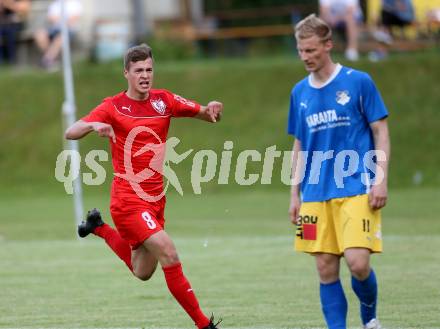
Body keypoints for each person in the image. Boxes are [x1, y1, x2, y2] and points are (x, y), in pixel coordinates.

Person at [65, 44, 223, 329]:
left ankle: (98, 226)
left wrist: (211, 110)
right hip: (127, 200)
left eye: (149, 69)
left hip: (154, 199)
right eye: (138, 70)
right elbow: (71, 131)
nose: (145, 75)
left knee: (142, 272)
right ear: (126, 73)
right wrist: (93, 126)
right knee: (168, 251)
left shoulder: (164, 101)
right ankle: (204, 325)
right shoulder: (112, 106)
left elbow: (203, 113)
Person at [288, 14, 390, 329]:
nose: (305, 57)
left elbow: (380, 130)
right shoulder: (299, 93)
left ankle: (369, 316)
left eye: (311, 50)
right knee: (324, 268)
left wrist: (381, 179)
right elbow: (299, 145)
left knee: (359, 264)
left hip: (357, 187)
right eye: (301, 50)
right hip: (315, 194)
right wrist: (293, 193)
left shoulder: (359, 82)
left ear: (328, 45)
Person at [34, 0, 82, 70]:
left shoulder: (75, 3)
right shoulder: (55, 3)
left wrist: (59, 19)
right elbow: (51, 18)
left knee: (60, 37)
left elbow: (73, 19)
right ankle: (51, 59)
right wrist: (64, 19)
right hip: (54, 29)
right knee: (39, 34)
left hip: (70, 29)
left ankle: (47, 61)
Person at [0, 0, 30, 64]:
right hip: (4, 24)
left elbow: (23, 11)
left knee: (10, 33)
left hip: (17, 25)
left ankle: (12, 59)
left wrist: (8, 4)